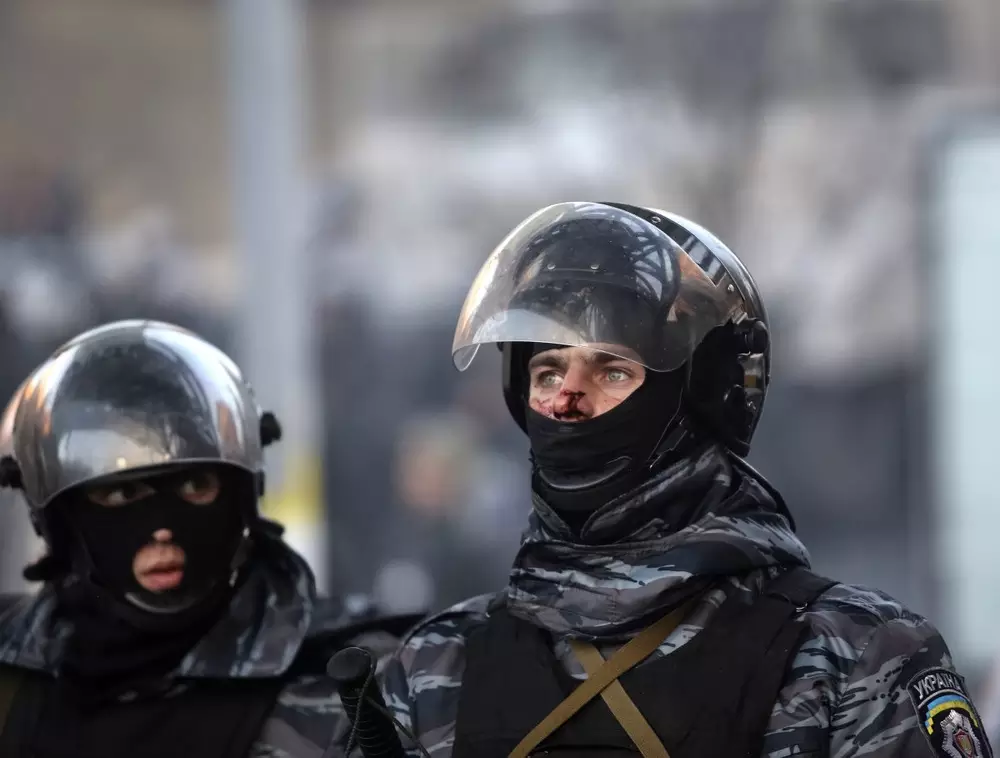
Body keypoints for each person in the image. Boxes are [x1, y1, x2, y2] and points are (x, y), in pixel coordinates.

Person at [382, 202, 991, 758]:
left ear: (698, 397)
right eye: (547, 373)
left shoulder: (854, 659)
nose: (568, 400)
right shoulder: (436, 672)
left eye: (612, 371)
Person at [0, 319, 420, 758]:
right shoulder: (14, 672)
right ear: (60, 520)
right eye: (122, 494)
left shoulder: (355, 677)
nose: (161, 528)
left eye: (194, 486)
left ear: (241, 497)